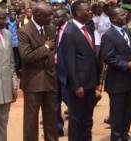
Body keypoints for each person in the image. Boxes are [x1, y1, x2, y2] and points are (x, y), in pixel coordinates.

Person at [18, 2, 58, 140]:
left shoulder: (51, 28)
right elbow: (26, 57)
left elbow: (53, 52)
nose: (51, 18)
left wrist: (46, 51)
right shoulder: (24, 31)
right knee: (31, 121)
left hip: (50, 80)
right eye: (48, 16)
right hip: (33, 82)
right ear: (38, 16)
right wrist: (45, 48)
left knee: (52, 119)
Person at [62, 1, 99, 140]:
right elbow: (70, 62)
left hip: (90, 81)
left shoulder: (87, 29)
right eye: (87, 10)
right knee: (76, 117)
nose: (90, 12)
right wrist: (77, 85)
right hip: (79, 84)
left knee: (87, 116)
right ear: (78, 13)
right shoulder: (69, 32)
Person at [101, 6, 131, 141]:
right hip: (116, 80)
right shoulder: (108, 35)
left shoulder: (126, 31)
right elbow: (108, 57)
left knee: (127, 110)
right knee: (117, 111)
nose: (125, 17)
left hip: (129, 79)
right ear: (114, 18)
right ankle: (116, 136)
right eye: (122, 15)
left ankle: (125, 134)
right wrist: (126, 65)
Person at [0, 3, 18, 141]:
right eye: (2, 18)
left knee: (2, 125)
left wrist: (13, 85)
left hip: (6, 89)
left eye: (6, 18)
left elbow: (11, 62)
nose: (5, 21)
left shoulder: (6, 33)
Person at [53, 7, 70, 137]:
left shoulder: (71, 30)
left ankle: (78, 124)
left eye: (59, 17)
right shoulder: (51, 29)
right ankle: (58, 126)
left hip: (68, 71)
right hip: (53, 71)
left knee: (69, 99)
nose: (56, 19)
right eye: (55, 17)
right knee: (54, 101)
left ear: (66, 17)